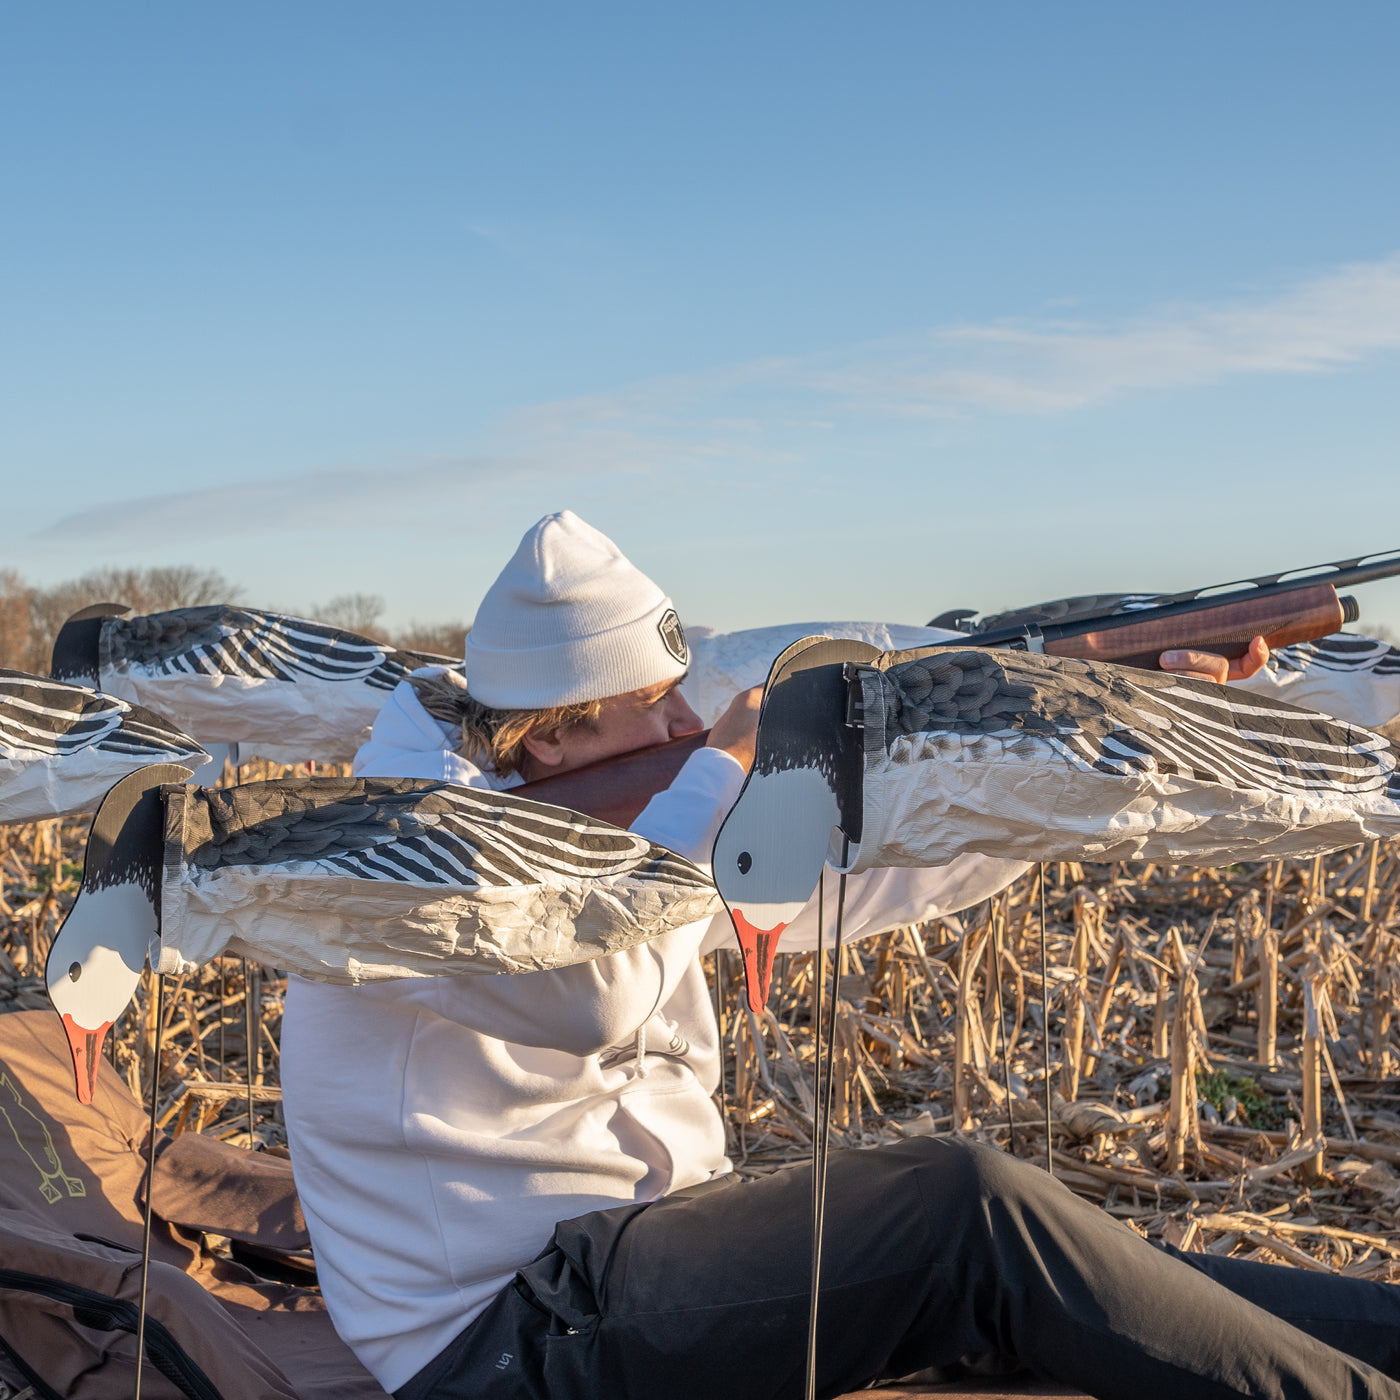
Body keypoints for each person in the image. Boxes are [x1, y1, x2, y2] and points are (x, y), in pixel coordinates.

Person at [280, 511, 1400, 1400]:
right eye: (651, 708)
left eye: (683, 703)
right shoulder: (401, 861)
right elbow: (596, 994)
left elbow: (850, 884)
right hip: (504, 1337)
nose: (683, 725)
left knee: (1121, 1278)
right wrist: (714, 776)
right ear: (556, 734)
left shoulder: (585, 822)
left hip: (629, 1258)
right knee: (963, 1207)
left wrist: (1092, 735)